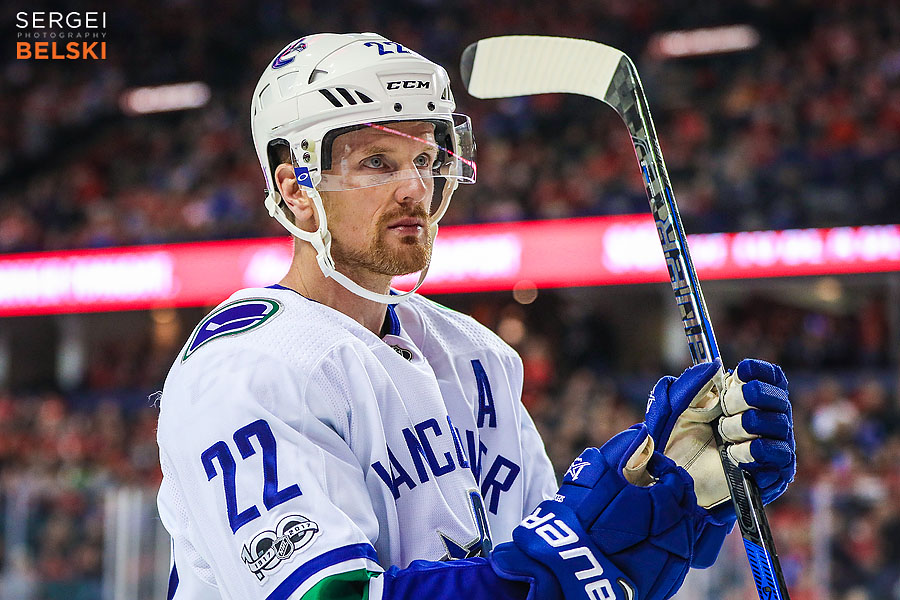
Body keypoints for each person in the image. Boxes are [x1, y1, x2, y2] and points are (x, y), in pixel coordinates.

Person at [156, 33, 796, 600]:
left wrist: (671, 498)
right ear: (296, 185)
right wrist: (542, 572)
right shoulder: (244, 372)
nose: (415, 188)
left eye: (427, 160)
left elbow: (577, 575)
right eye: (377, 162)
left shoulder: (472, 356)